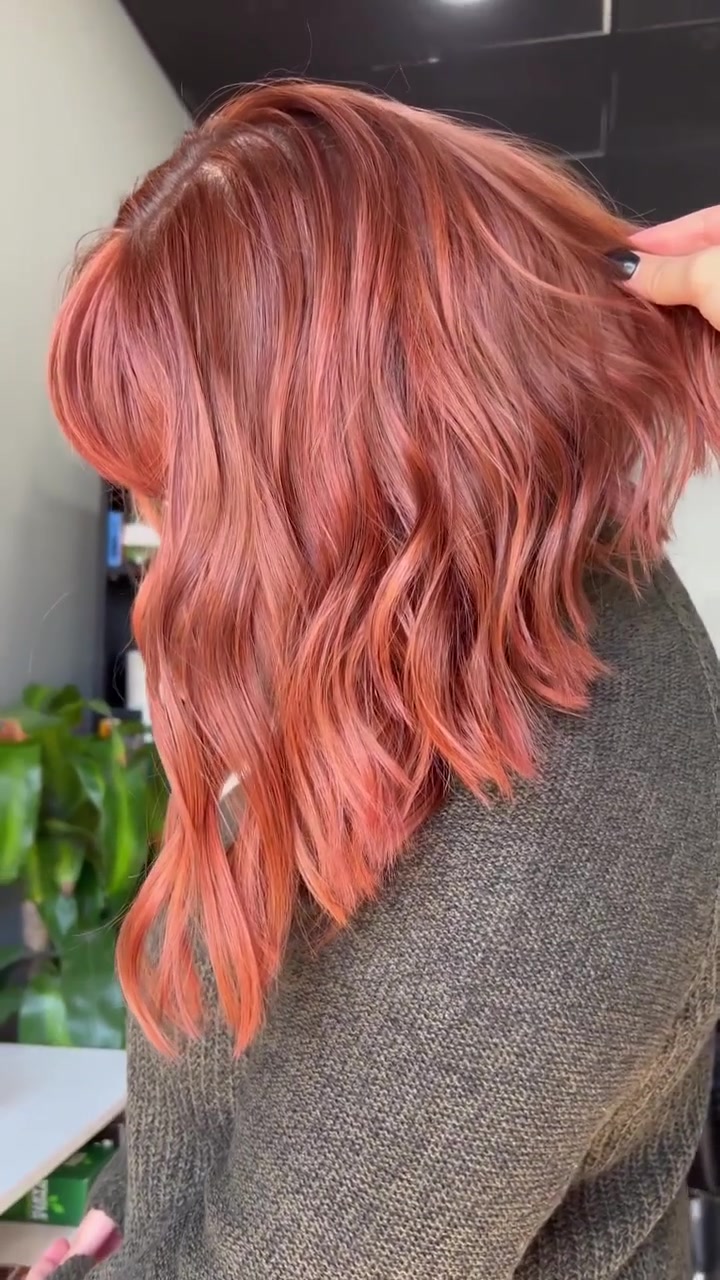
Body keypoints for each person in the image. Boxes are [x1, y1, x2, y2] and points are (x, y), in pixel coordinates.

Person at [31, 82, 720, 1279]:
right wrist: (131, 1213)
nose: (162, 539)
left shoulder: (540, 846)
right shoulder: (431, 640)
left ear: (342, 448)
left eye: (178, 484)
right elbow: (242, 1022)